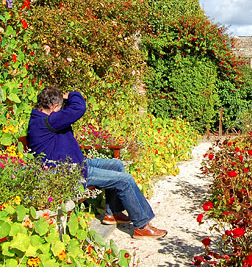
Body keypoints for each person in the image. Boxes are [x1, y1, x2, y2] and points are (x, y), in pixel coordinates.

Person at [27, 87, 167, 239]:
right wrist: (72, 95)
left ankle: (112, 213)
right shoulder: (47, 121)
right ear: (54, 107)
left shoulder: (44, 119)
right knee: (125, 180)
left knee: (117, 165)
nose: (62, 110)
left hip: (78, 164)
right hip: (71, 172)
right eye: (60, 107)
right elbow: (79, 107)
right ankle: (142, 225)